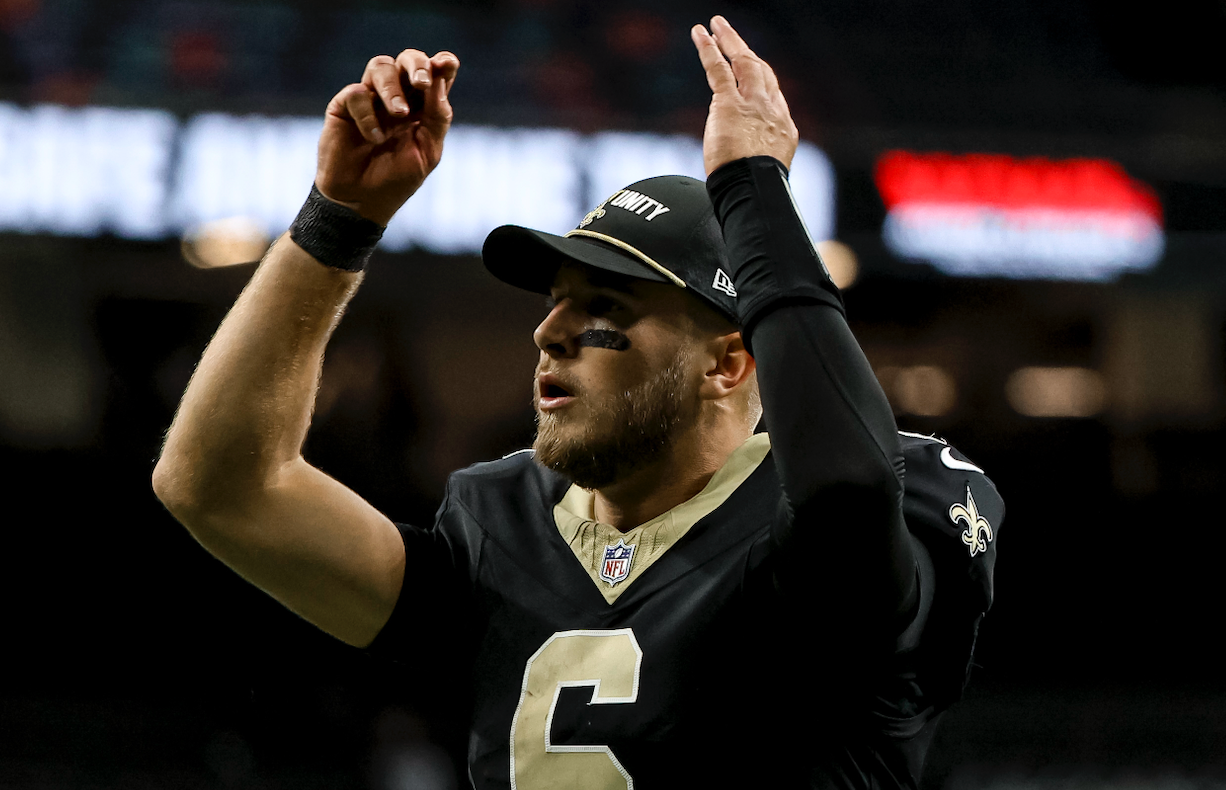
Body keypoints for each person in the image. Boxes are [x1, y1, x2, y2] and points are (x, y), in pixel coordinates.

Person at [153, 16, 1004, 790]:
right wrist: (337, 220)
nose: (549, 332)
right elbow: (217, 485)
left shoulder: (860, 513)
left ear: (728, 363)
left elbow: (847, 490)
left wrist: (753, 187)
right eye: (555, 300)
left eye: (605, 307)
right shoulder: (499, 528)